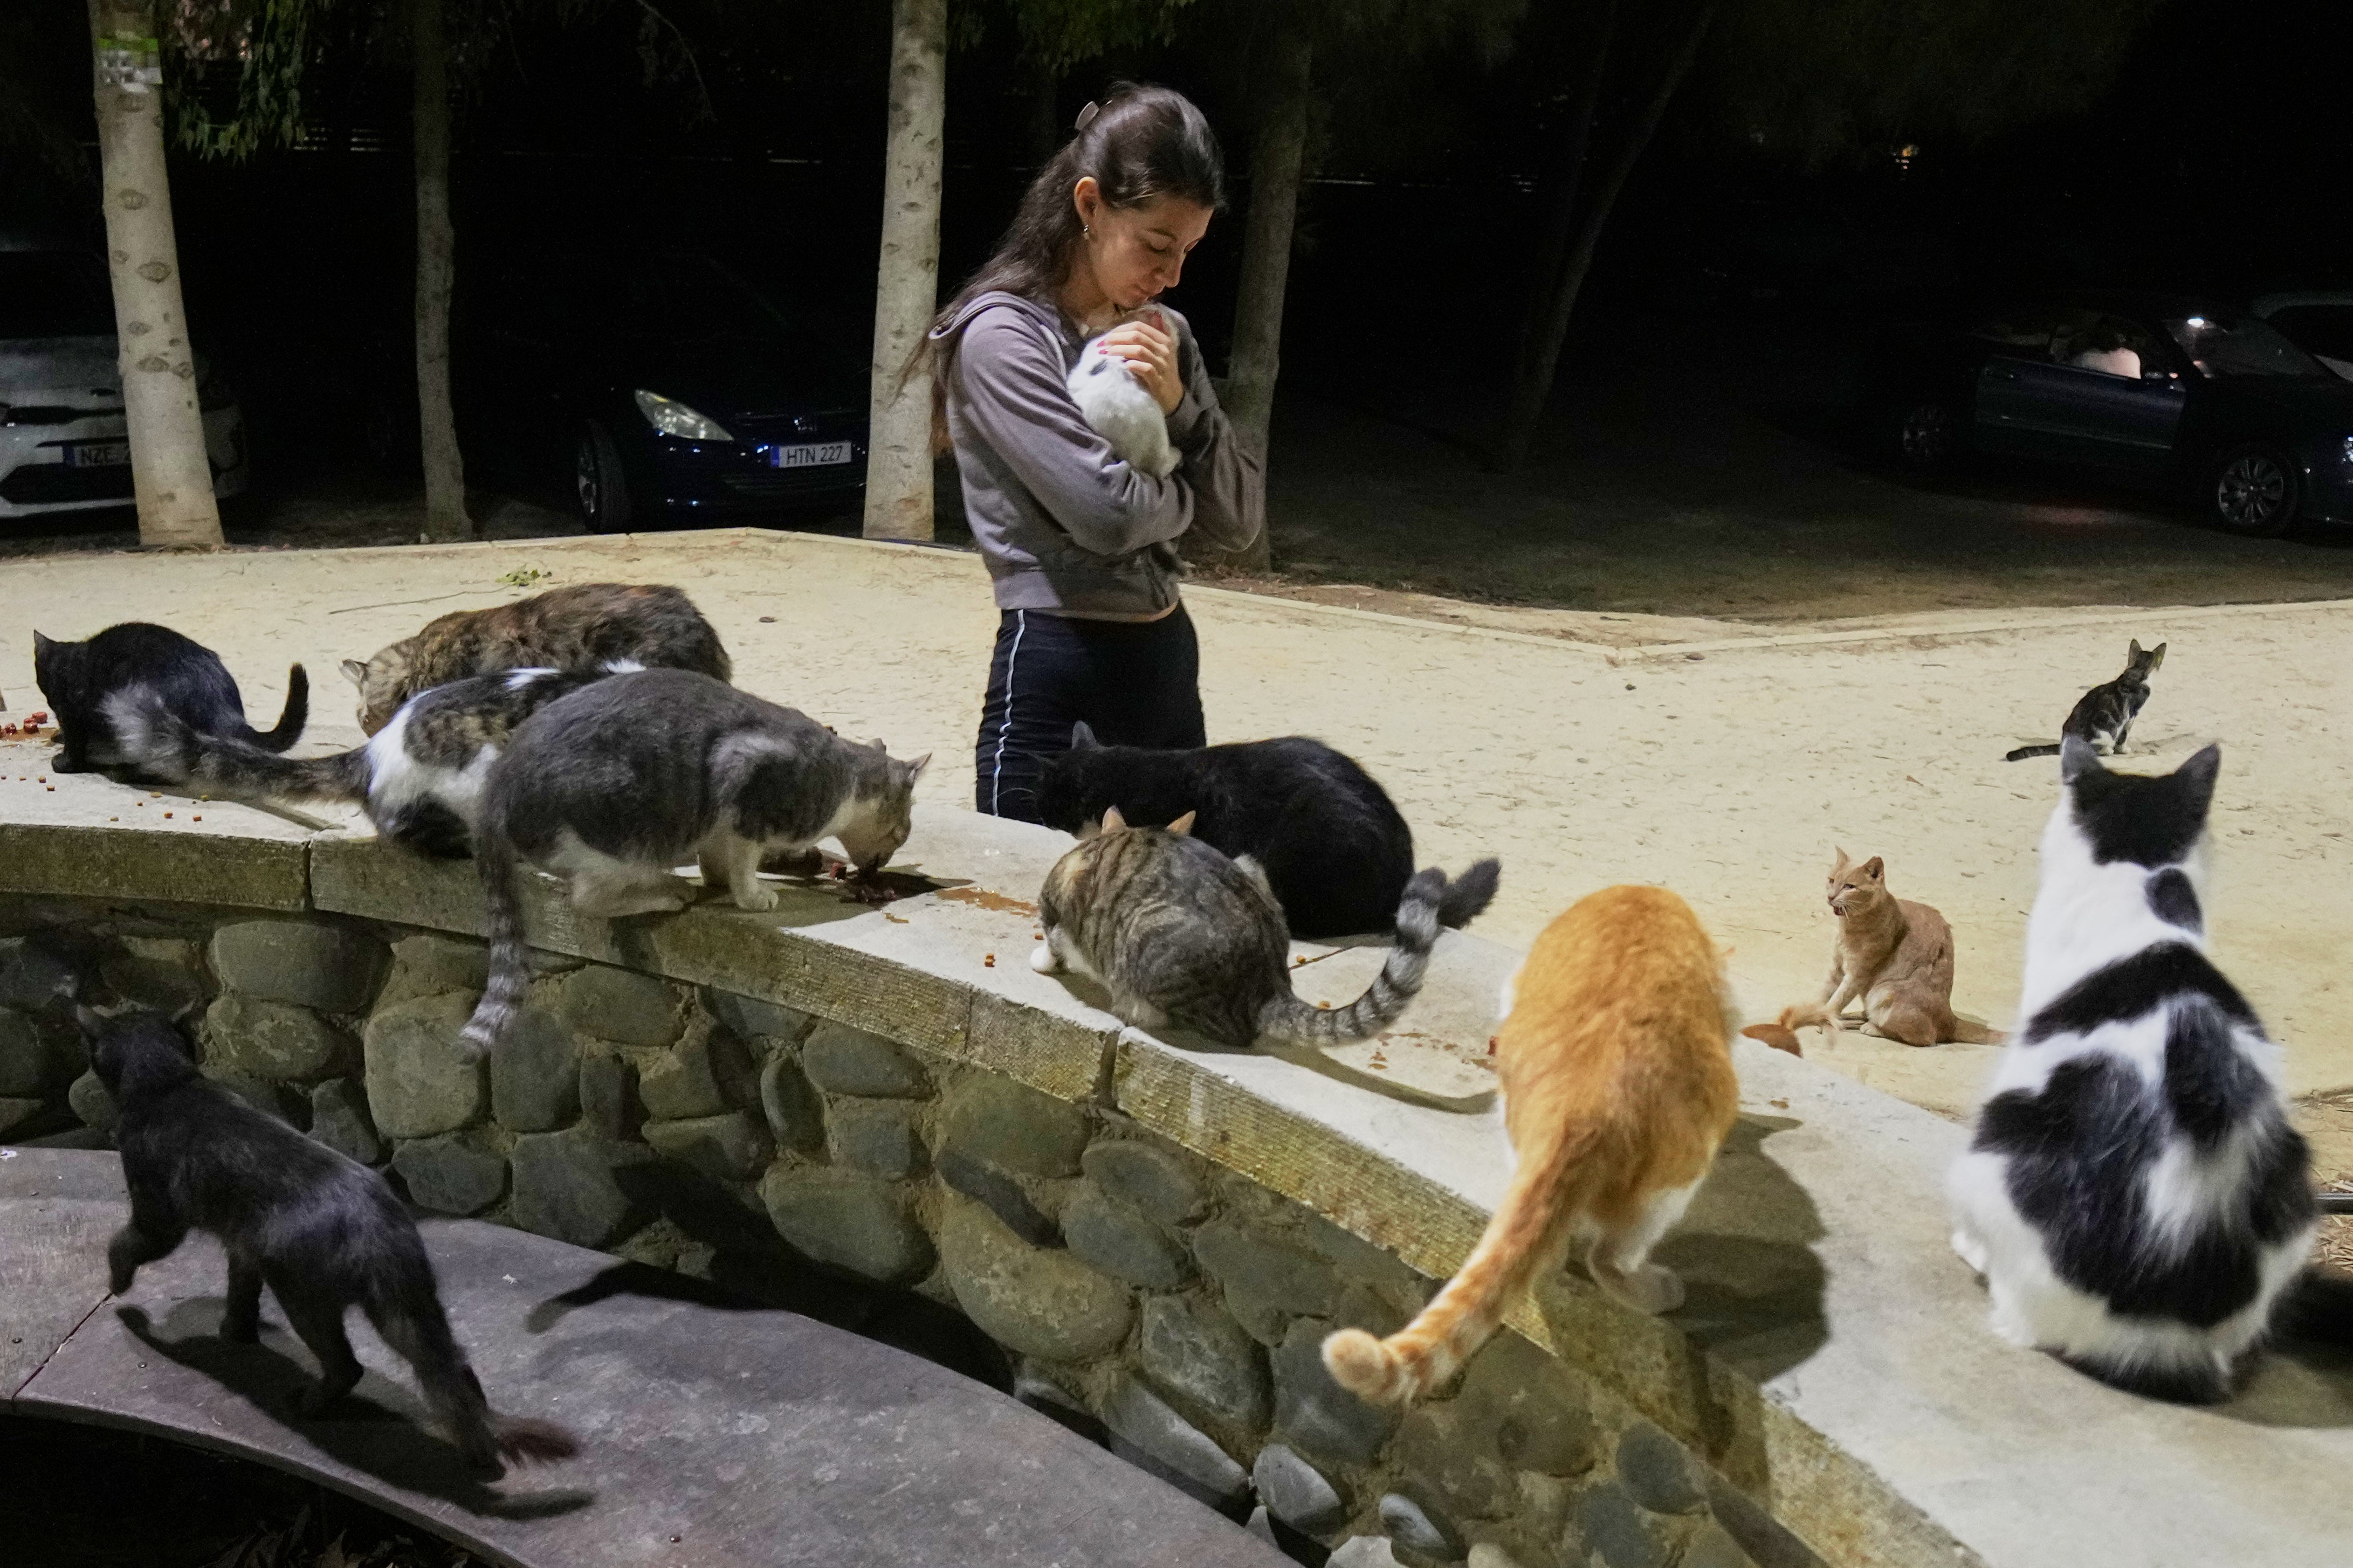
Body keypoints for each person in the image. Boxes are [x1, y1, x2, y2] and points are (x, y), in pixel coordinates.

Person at [927, 83, 1264, 824]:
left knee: (1176, 897)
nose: (1172, 275)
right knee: (1026, 893)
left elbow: (1240, 522)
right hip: (1058, 668)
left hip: (1168, 666)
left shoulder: (1163, 336)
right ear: (1090, 205)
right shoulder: (1002, 337)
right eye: (1157, 245)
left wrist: (1180, 409)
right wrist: (1183, 496)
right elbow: (1108, 516)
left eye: (1189, 251)